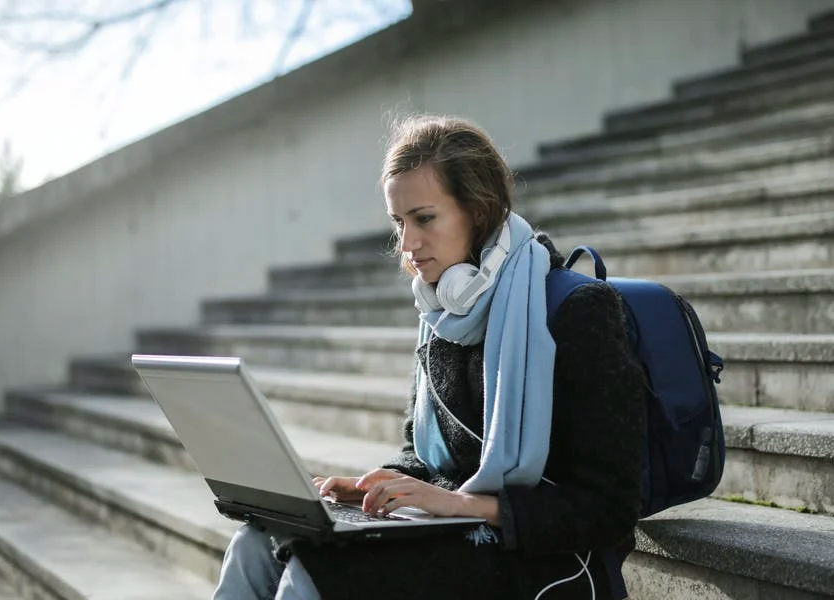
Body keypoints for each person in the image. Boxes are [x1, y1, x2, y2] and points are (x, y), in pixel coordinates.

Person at [213, 115, 647, 600]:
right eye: (399, 222)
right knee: (256, 542)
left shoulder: (576, 311)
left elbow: (610, 507)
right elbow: (423, 456)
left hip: (548, 558)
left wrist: (461, 504)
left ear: (478, 211)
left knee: (316, 574)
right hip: (453, 529)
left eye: (424, 218)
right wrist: (377, 487)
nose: (408, 245)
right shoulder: (443, 309)